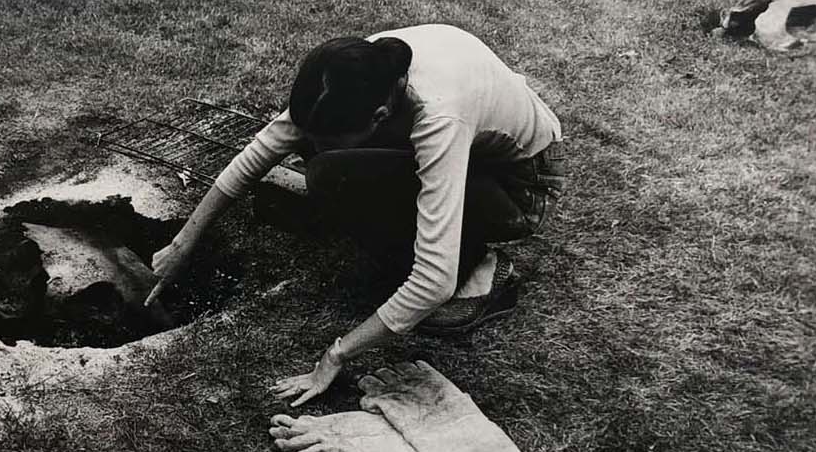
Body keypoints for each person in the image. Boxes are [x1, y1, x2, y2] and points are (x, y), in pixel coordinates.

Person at [146, 23, 568, 407]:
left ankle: (480, 266)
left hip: (519, 185)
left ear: (380, 115)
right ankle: (386, 203)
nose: (311, 145)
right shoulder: (353, 71)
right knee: (327, 167)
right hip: (468, 149)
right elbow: (259, 153)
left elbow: (432, 282)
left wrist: (336, 355)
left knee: (332, 175)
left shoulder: (439, 117)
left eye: (330, 137)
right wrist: (183, 244)